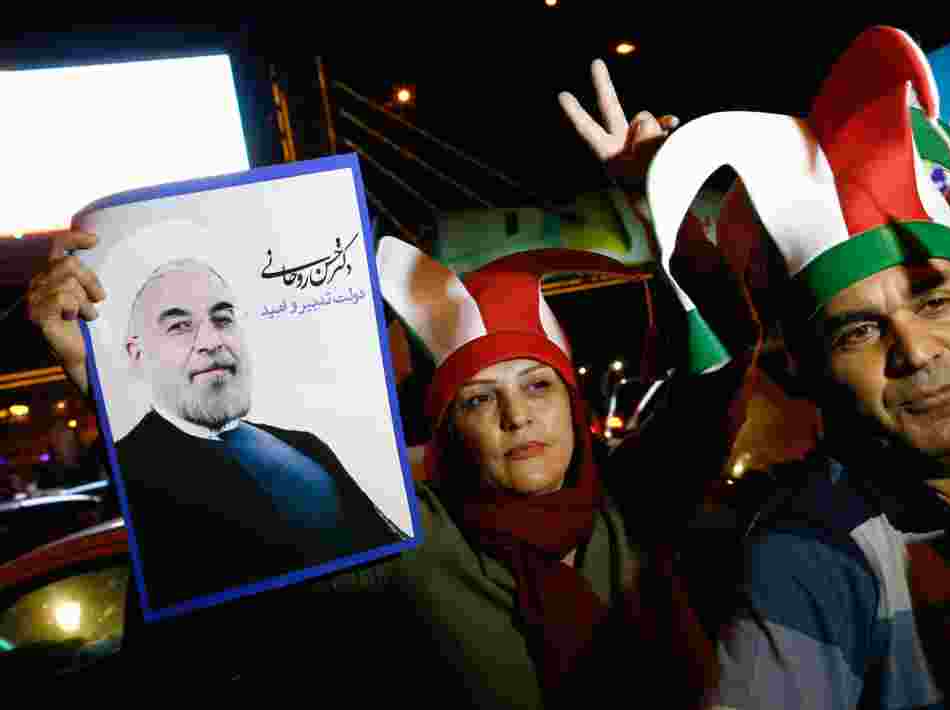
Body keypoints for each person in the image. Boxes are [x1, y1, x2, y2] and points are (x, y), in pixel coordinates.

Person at [26, 74, 758, 697]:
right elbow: (224, 536)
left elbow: (724, 360)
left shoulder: (636, 505)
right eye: (478, 397)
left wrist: (664, 202)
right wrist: (115, 385)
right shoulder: (403, 545)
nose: (514, 416)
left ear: (573, 401)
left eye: (538, 386)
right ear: (445, 425)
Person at [567, 26, 950, 706]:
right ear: (813, 371)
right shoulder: (812, 560)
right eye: (860, 330)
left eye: (934, 299)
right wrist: (671, 221)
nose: (916, 351)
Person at [29, 254, 404, 611]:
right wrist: (85, 369)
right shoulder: (137, 464)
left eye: (222, 319)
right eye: (179, 326)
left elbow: (394, 559)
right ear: (137, 354)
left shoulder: (304, 445)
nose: (211, 341)